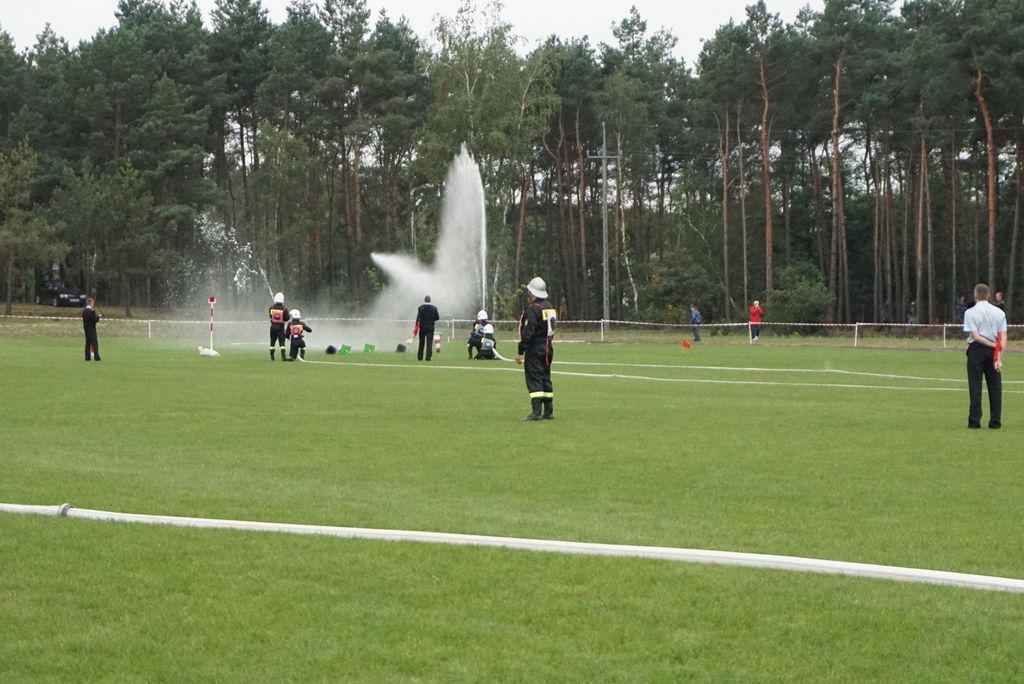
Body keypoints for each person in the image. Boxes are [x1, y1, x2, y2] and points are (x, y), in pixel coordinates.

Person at [963, 283, 1007, 429]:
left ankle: (974, 421)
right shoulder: (999, 313)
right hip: (994, 351)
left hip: (977, 350)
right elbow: (1003, 337)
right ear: (988, 295)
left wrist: (992, 345)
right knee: (995, 387)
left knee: (975, 386)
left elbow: (975, 336)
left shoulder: (970, 313)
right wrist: (999, 357)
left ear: (975, 295)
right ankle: (995, 421)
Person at [517, 277, 556, 420]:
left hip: (535, 349)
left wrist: (521, 350)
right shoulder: (549, 307)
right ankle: (548, 411)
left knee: (534, 378)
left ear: (533, 293)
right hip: (548, 347)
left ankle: (536, 412)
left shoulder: (534, 309)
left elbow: (528, 332)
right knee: (546, 378)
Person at [415, 295, 439, 361]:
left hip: (422, 327)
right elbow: (437, 317)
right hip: (430, 327)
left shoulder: (420, 307)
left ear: (424, 300)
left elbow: (418, 318)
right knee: (429, 342)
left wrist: (416, 326)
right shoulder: (434, 308)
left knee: (421, 342)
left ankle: (420, 357)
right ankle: (428, 357)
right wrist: (431, 319)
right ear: (430, 300)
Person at [268, 292, 290, 361]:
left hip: (273, 327)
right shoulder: (284, 308)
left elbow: (270, 315)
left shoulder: (271, 307)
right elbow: (287, 318)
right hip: (280, 327)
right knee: (282, 343)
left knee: (272, 342)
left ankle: (272, 357)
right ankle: (283, 357)